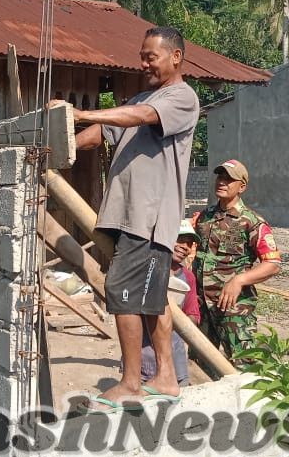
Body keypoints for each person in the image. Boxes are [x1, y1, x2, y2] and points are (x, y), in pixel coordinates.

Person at [53, 26, 198, 410]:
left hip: (148, 218)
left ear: (176, 58)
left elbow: (140, 116)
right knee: (153, 302)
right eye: (142, 55)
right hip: (129, 216)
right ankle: (165, 376)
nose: (144, 62)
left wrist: (79, 111)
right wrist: (63, 144)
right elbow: (103, 133)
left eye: (151, 56)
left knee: (122, 292)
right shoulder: (141, 98)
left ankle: (132, 381)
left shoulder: (180, 97)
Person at [192, 159, 281, 365]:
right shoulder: (205, 218)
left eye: (229, 179)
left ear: (242, 187)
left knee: (243, 364)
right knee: (199, 365)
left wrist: (239, 280)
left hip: (233, 309)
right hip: (202, 306)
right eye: (220, 177)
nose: (222, 182)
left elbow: (273, 264)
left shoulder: (251, 221)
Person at [133, 220, 201, 387]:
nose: (185, 247)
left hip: (175, 361)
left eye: (189, 243)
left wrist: (174, 320)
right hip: (143, 358)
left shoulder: (188, 277)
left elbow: (193, 315)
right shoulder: (144, 269)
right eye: (180, 239)